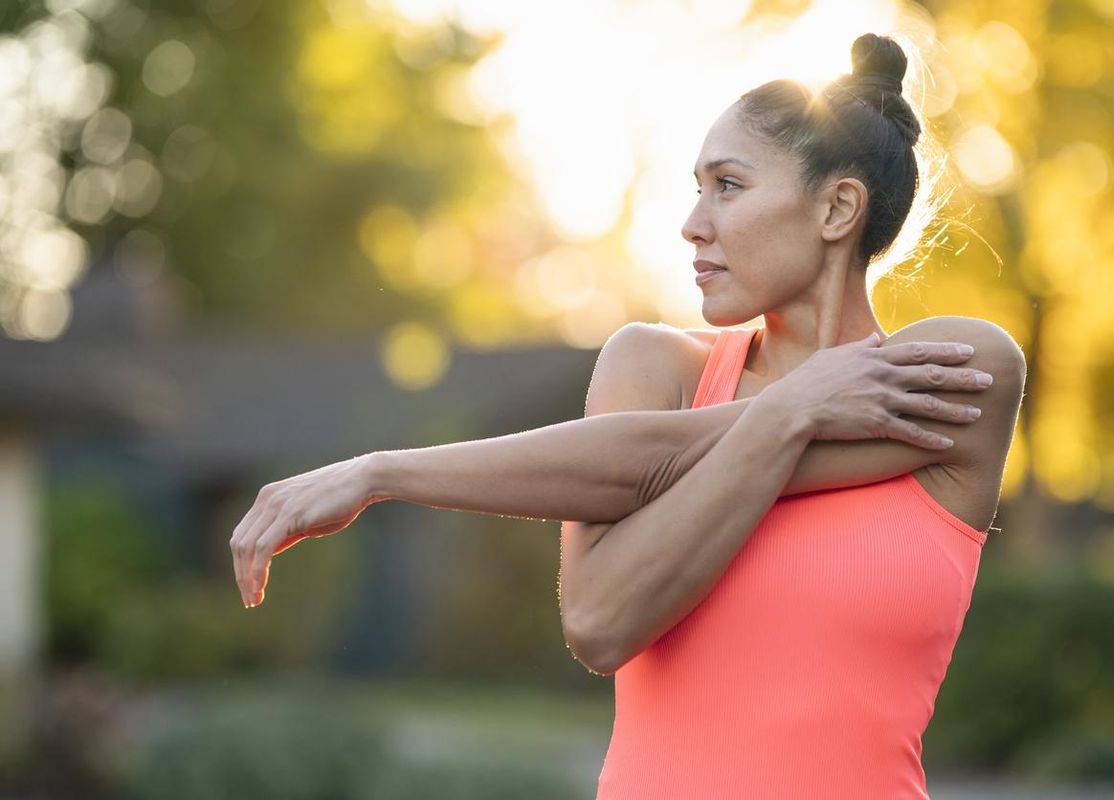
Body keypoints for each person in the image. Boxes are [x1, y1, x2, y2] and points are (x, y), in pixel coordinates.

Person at [229, 32, 1025, 799]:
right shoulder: (655, 368)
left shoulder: (960, 373)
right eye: (696, 187)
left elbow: (646, 459)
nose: (692, 223)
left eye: (729, 185)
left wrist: (781, 416)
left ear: (836, 209)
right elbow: (602, 624)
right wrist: (790, 413)